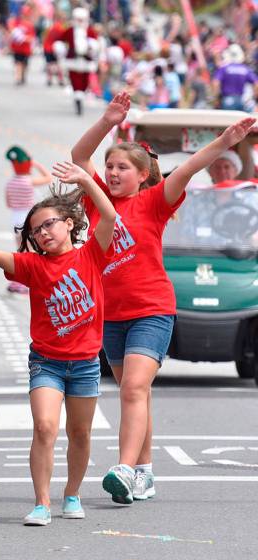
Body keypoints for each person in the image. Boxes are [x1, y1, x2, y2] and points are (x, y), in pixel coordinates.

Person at [71, 92, 258, 505]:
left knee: (134, 388)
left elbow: (191, 166)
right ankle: (145, 472)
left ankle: (123, 468)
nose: (113, 172)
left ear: (142, 175)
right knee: (136, 393)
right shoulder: (97, 200)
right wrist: (107, 121)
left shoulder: (154, 202)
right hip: (111, 313)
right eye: (110, 166)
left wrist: (226, 141)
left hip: (152, 309)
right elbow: (79, 155)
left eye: (123, 167)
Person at [0, 161, 118, 526]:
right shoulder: (32, 266)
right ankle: (42, 503)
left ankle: (72, 494)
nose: (44, 232)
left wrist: (86, 181)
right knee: (45, 426)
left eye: (49, 224)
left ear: (69, 224)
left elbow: (108, 216)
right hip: (46, 361)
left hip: (85, 363)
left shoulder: (91, 254)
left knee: (80, 432)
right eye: (36, 230)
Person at [4, 145, 52, 293]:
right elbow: (48, 177)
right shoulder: (29, 181)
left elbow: (9, 203)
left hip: (15, 218)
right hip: (28, 218)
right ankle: (28, 281)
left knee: (20, 250)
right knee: (31, 251)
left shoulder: (11, 183)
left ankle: (18, 281)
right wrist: (36, 165)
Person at [54, 7, 99, 116]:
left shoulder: (90, 31)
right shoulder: (69, 31)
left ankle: (80, 96)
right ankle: (78, 100)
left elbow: (96, 44)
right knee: (75, 81)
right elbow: (60, 41)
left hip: (86, 60)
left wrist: (92, 47)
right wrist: (60, 50)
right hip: (73, 60)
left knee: (84, 82)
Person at [212, 44, 258, 112]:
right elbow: (256, 83)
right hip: (241, 100)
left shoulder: (224, 68)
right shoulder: (245, 69)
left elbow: (215, 83)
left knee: (226, 121)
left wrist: (216, 98)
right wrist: (255, 97)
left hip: (227, 100)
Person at [8, 5, 35, 86]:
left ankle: (22, 76)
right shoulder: (16, 22)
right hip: (17, 48)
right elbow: (11, 33)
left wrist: (24, 38)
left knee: (24, 64)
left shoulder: (30, 25)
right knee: (18, 63)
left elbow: (32, 38)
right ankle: (18, 78)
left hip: (26, 49)